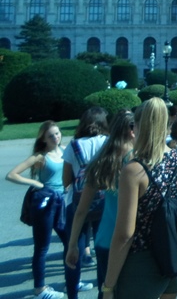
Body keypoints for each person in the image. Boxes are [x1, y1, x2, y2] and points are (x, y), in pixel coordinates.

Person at [103, 98, 177, 299]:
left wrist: (108, 285)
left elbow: (125, 234)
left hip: (143, 263)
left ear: (139, 126)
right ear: (167, 126)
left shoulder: (134, 170)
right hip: (175, 258)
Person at [65, 111, 135, 299]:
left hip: (105, 239)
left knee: (105, 290)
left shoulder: (101, 162)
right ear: (132, 131)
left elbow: (81, 210)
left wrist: (73, 245)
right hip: (132, 240)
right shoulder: (137, 161)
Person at [6, 121, 68, 299]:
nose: (55, 137)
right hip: (45, 203)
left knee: (70, 242)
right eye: (51, 135)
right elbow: (11, 175)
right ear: (43, 139)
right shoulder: (40, 156)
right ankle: (39, 289)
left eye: (57, 133)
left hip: (62, 202)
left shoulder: (65, 151)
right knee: (42, 247)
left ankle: (72, 279)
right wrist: (36, 183)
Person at [62, 106, 109, 298]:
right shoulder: (107, 143)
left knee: (74, 250)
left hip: (77, 203)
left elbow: (66, 181)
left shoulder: (73, 146)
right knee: (102, 250)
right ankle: (103, 292)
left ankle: (72, 293)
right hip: (104, 203)